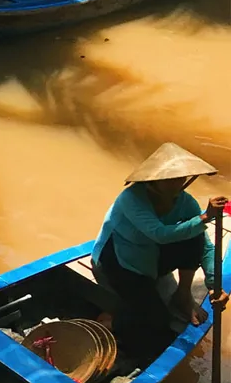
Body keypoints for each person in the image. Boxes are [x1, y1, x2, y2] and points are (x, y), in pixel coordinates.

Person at [91, 143, 228, 358]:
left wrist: (214, 285)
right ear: (154, 181)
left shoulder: (185, 203)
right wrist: (204, 217)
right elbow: (159, 233)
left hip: (152, 257)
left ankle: (183, 295)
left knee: (194, 238)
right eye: (170, 179)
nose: (177, 183)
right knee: (156, 321)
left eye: (180, 178)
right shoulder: (131, 199)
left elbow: (205, 246)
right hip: (120, 263)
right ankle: (110, 321)